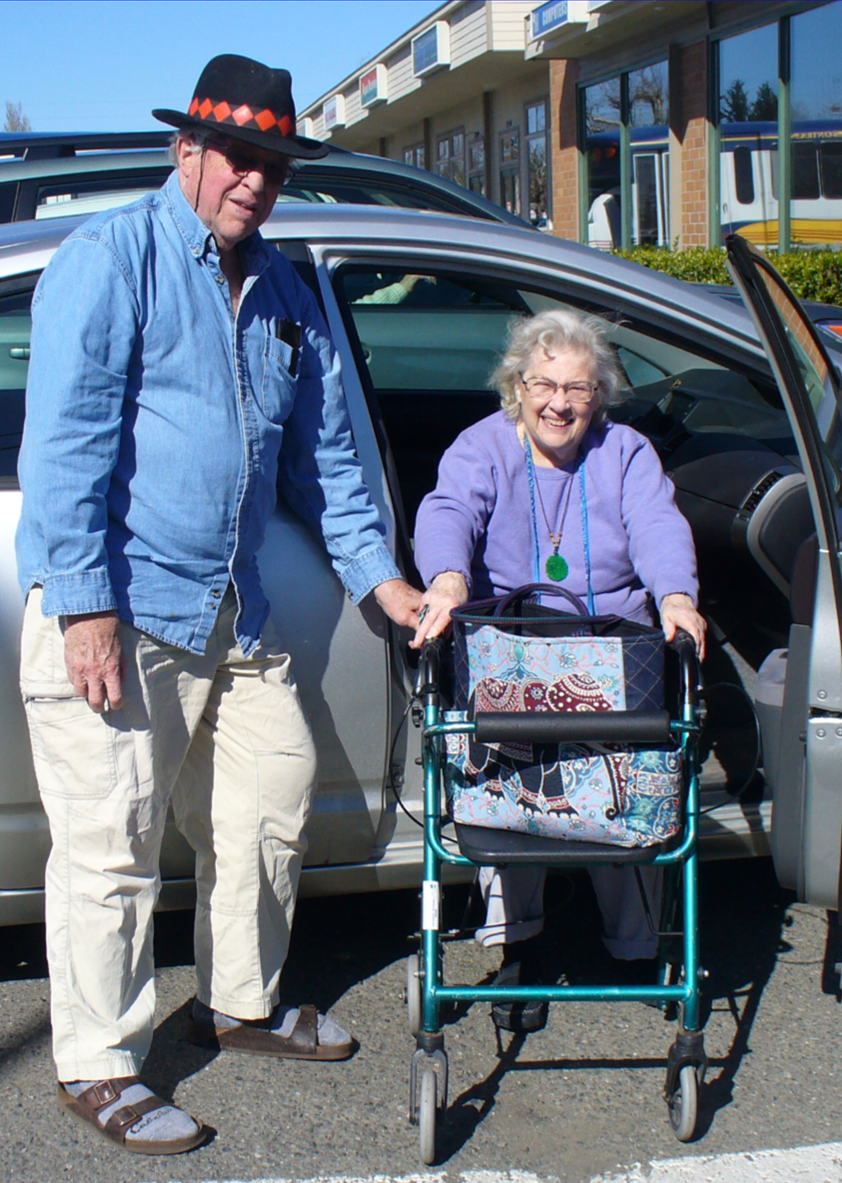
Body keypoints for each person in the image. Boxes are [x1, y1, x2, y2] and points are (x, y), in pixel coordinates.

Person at [16, 55, 422, 1156]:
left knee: (270, 799)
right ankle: (99, 1063)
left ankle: (237, 1002)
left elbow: (326, 464)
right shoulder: (115, 258)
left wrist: (382, 578)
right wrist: (85, 608)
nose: (255, 180)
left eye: (273, 165)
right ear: (185, 150)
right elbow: (66, 446)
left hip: (232, 612)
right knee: (111, 845)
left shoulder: (284, 289)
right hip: (125, 605)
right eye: (237, 156)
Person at [411, 308, 705, 1031]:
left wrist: (676, 596)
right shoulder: (483, 446)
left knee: (630, 767)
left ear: (599, 394)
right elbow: (449, 510)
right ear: (517, 385)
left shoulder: (624, 451)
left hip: (612, 649)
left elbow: (657, 525)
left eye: (577, 387)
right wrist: (448, 578)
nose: (559, 403)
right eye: (543, 384)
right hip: (513, 648)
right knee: (505, 774)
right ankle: (519, 945)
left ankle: (636, 946)